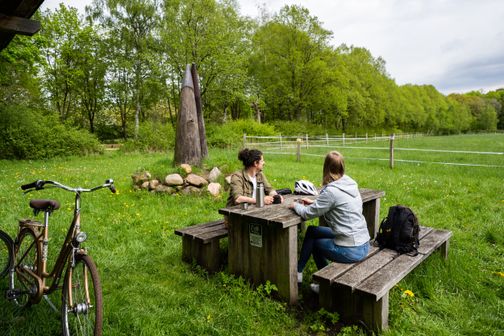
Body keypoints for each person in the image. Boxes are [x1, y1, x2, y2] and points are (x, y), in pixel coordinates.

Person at [289, 151, 369, 293]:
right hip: (362, 242)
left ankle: (325, 285)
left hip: (351, 249)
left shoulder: (331, 191)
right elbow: (335, 203)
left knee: (315, 244)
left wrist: (295, 205)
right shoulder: (350, 184)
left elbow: (307, 214)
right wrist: (315, 202)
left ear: (326, 168)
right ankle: (299, 271)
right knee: (313, 231)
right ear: (342, 167)